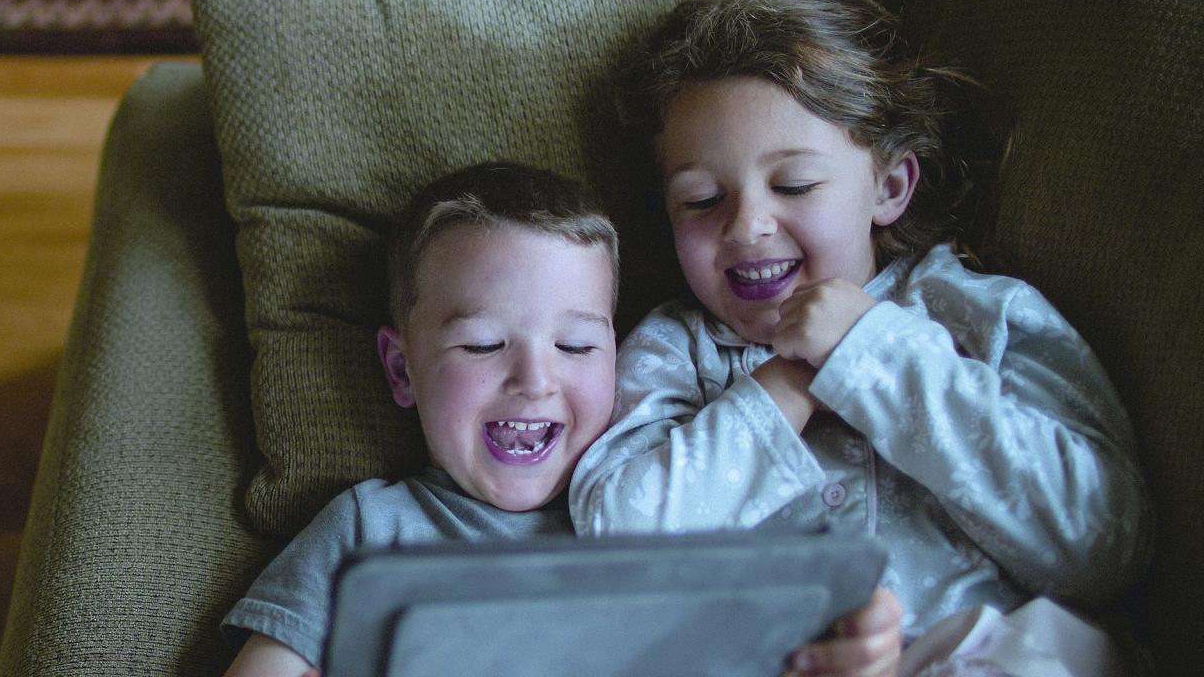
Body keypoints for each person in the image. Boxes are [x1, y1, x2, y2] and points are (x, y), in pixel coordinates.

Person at [569, 0, 1151, 676]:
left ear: (890, 187)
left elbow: (1102, 546)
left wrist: (872, 354)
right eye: (701, 200)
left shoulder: (975, 312)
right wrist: (783, 386)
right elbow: (615, 543)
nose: (748, 225)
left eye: (794, 186)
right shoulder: (675, 352)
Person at [224, 161, 899, 677]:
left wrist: (858, 646)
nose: (536, 381)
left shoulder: (673, 514)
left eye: (576, 346)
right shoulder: (369, 530)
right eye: (484, 344)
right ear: (401, 369)